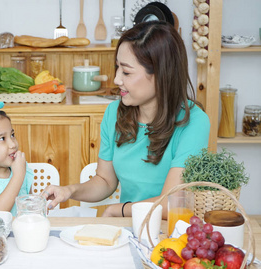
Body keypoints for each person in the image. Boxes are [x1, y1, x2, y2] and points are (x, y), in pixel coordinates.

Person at [42, 21, 210, 218]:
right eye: (117, 68)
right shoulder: (114, 113)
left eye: (127, 72)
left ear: (161, 74)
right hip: (129, 227)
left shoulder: (194, 122)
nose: (116, 79)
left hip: (171, 232)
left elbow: (171, 202)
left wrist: (118, 210)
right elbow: (105, 181)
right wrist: (69, 191)